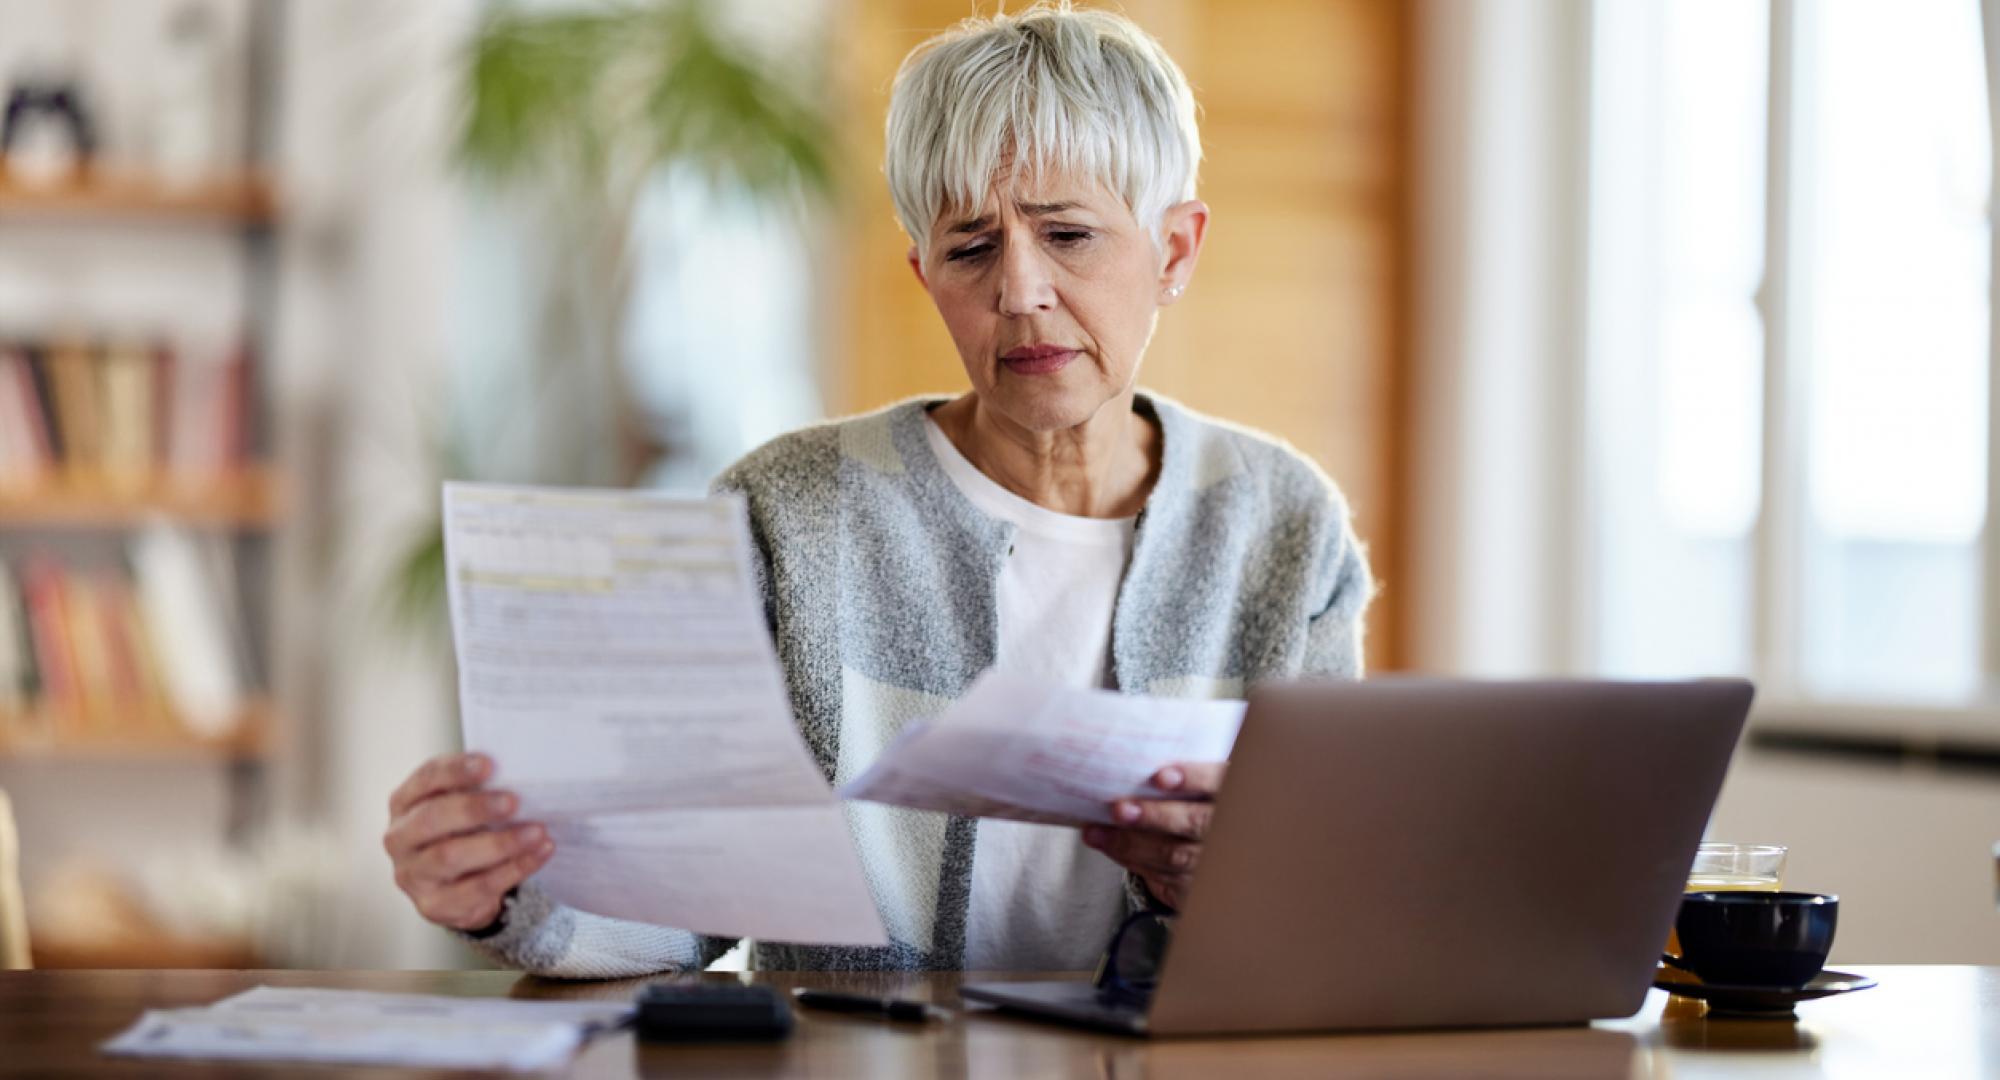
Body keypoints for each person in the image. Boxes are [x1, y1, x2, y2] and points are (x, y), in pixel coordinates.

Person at [383, 1, 1373, 978]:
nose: (1019, 291)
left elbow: (1328, 909)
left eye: (1066, 234)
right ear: (923, 271)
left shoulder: (1281, 526)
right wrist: (510, 892)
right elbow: (674, 902)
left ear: (1174, 251)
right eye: (971, 247)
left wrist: (1226, 885)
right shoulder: (787, 512)